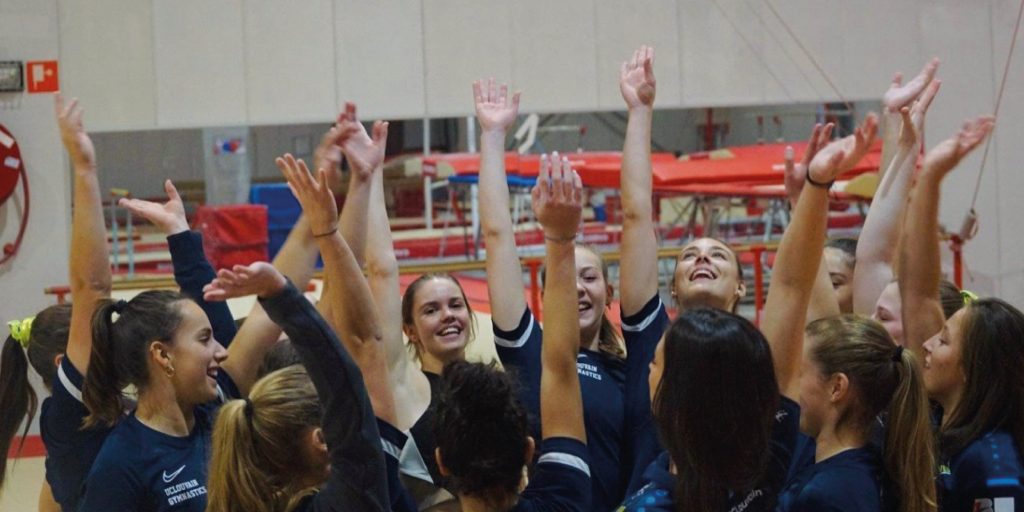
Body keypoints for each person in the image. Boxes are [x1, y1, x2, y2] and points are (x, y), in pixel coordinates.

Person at [620, 111, 878, 511]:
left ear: (677, 391)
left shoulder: (650, 503)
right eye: (691, 254)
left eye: (655, 363)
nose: (648, 371)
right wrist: (815, 187)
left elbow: (793, 287)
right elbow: (791, 286)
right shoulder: (764, 451)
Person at [204, 150, 403, 512]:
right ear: (322, 439)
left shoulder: (234, 491)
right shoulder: (354, 495)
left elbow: (345, 358)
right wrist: (332, 219)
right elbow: (359, 347)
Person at [476, 76, 624, 510]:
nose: (576, 287)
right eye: (566, 279)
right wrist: (492, 135)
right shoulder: (529, 350)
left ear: (609, 291)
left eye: (590, 278)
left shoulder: (628, 371)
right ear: (544, 295)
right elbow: (497, 236)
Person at [433, 151, 591, 511]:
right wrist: (561, 238)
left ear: (441, 462)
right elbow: (562, 366)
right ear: (529, 450)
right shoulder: (566, 498)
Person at [897, 115, 1023, 511]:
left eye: (945, 339)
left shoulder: (994, 464)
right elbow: (916, 290)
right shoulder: (941, 420)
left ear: (973, 367)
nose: (927, 343)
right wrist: (930, 176)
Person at [776, 315, 936, 512]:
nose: (790, 387)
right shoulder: (869, 465)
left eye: (799, 374)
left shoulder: (828, 494)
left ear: (836, 387)